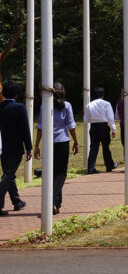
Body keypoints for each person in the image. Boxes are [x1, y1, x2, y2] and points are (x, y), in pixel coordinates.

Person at [33, 82, 79, 215]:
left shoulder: (45, 106)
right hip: (62, 143)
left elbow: (40, 127)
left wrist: (37, 145)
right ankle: (54, 200)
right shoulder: (67, 105)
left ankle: (56, 203)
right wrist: (76, 142)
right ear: (63, 92)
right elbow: (71, 126)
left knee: (52, 174)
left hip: (49, 144)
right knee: (61, 173)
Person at [0, 80, 33, 216]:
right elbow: (25, 128)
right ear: (16, 94)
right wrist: (29, 147)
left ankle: (17, 201)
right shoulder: (19, 108)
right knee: (7, 175)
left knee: (9, 174)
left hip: (2, 146)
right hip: (15, 147)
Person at [83, 86, 118, 174]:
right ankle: (109, 165)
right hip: (103, 127)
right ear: (102, 95)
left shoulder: (89, 105)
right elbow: (110, 118)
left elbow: (85, 120)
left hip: (94, 127)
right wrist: (113, 129)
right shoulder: (106, 104)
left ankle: (91, 168)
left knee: (93, 148)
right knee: (106, 147)